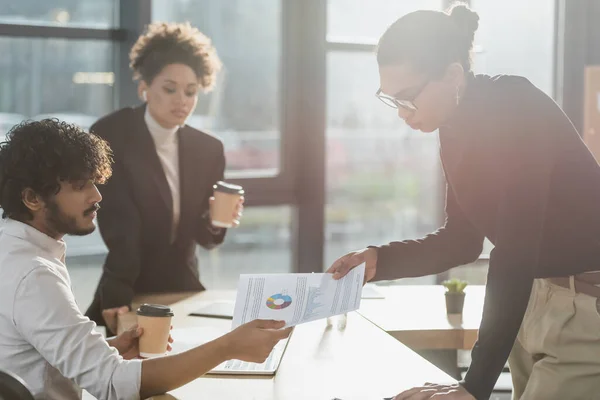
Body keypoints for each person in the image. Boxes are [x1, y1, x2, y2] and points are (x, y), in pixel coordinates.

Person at [328, 4, 600, 400]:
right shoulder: (453, 128)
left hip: (584, 310)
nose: (402, 113)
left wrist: (474, 387)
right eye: (391, 100)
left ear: (454, 75)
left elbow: (515, 250)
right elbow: (463, 239)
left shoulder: (516, 106)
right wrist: (378, 259)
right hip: (533, 305)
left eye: (408, 98)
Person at [0, 119, 291, 399]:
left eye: (94, 182)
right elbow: (114, 385)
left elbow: (30, 350)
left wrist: (108, 347)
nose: (97, 195)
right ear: (32, 198)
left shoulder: (15, 250)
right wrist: (228, 347)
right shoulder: (34, 275)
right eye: (80, 186)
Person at [85, 22, 243, 335]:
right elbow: (120, 225)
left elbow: (205, 237)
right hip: (128, 285)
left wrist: (217, 220)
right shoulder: (111, 134)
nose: (181, 100)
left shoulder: (208, 149)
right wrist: (117, 292)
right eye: (169, 89)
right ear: (144, 86)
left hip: (184, 287)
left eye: (191, 91)